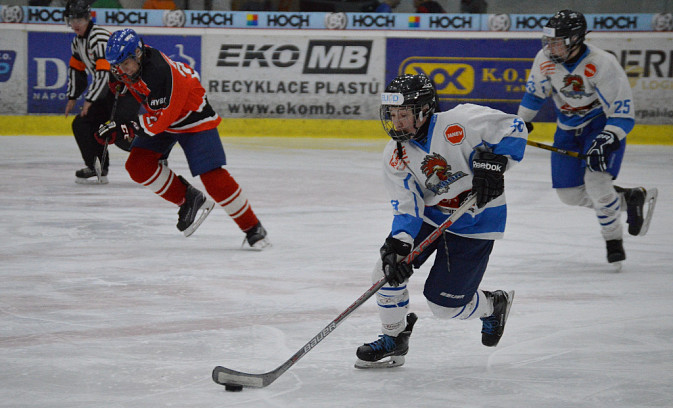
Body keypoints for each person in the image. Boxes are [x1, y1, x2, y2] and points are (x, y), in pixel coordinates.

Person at [355, 74, 527, 368]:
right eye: (393, 115)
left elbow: (516, 128)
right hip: (429, 218)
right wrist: (399, 244)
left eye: (404, 115)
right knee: (385, 272)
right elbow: (408, 208)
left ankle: (492, 305)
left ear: (424, 110)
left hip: (476, 221)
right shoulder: (396, 154)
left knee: (445, 308)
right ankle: (395, 338)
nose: (397, 123)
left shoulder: (461, 121)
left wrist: (494, 164)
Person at [97, 28, 269, 249]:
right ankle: (189, 199)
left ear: (138, 54)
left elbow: (160, 122)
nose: (122, 70)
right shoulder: (127, 66)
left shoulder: (160, 73)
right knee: (138, 165)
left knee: (213, 178)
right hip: (164, 115)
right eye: (117, 66)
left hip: (192, 116)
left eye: (125, 64)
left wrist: (123, 129)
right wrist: (119, 85)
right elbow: (133, 87)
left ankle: (253, 228)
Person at [517, 10, 658, 265]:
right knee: (568, 195)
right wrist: (520, 123)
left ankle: (613, 241)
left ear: (575, 39)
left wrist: (607, 138)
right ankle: (630, 199)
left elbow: (623, 113)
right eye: (548, 41)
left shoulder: (602, 63)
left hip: (600, 125)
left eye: (557, 41)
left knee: (597, 186)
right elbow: (534, 95)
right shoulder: (544, 59)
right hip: (567, 128)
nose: (550, 47)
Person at [64, 0, 138, 184]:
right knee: (82, 124)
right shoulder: (77, 43)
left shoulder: (99, 38)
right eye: (72, 19)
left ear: (88, 19)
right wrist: (72, 96)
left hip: (126, 91)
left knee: (121, 132)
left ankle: (156, 154)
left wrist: (89, 100)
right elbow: (77, 71)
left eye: (79, 19)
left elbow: (104, 74)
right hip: (107, 93)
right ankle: (96, 166)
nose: (75, 24)